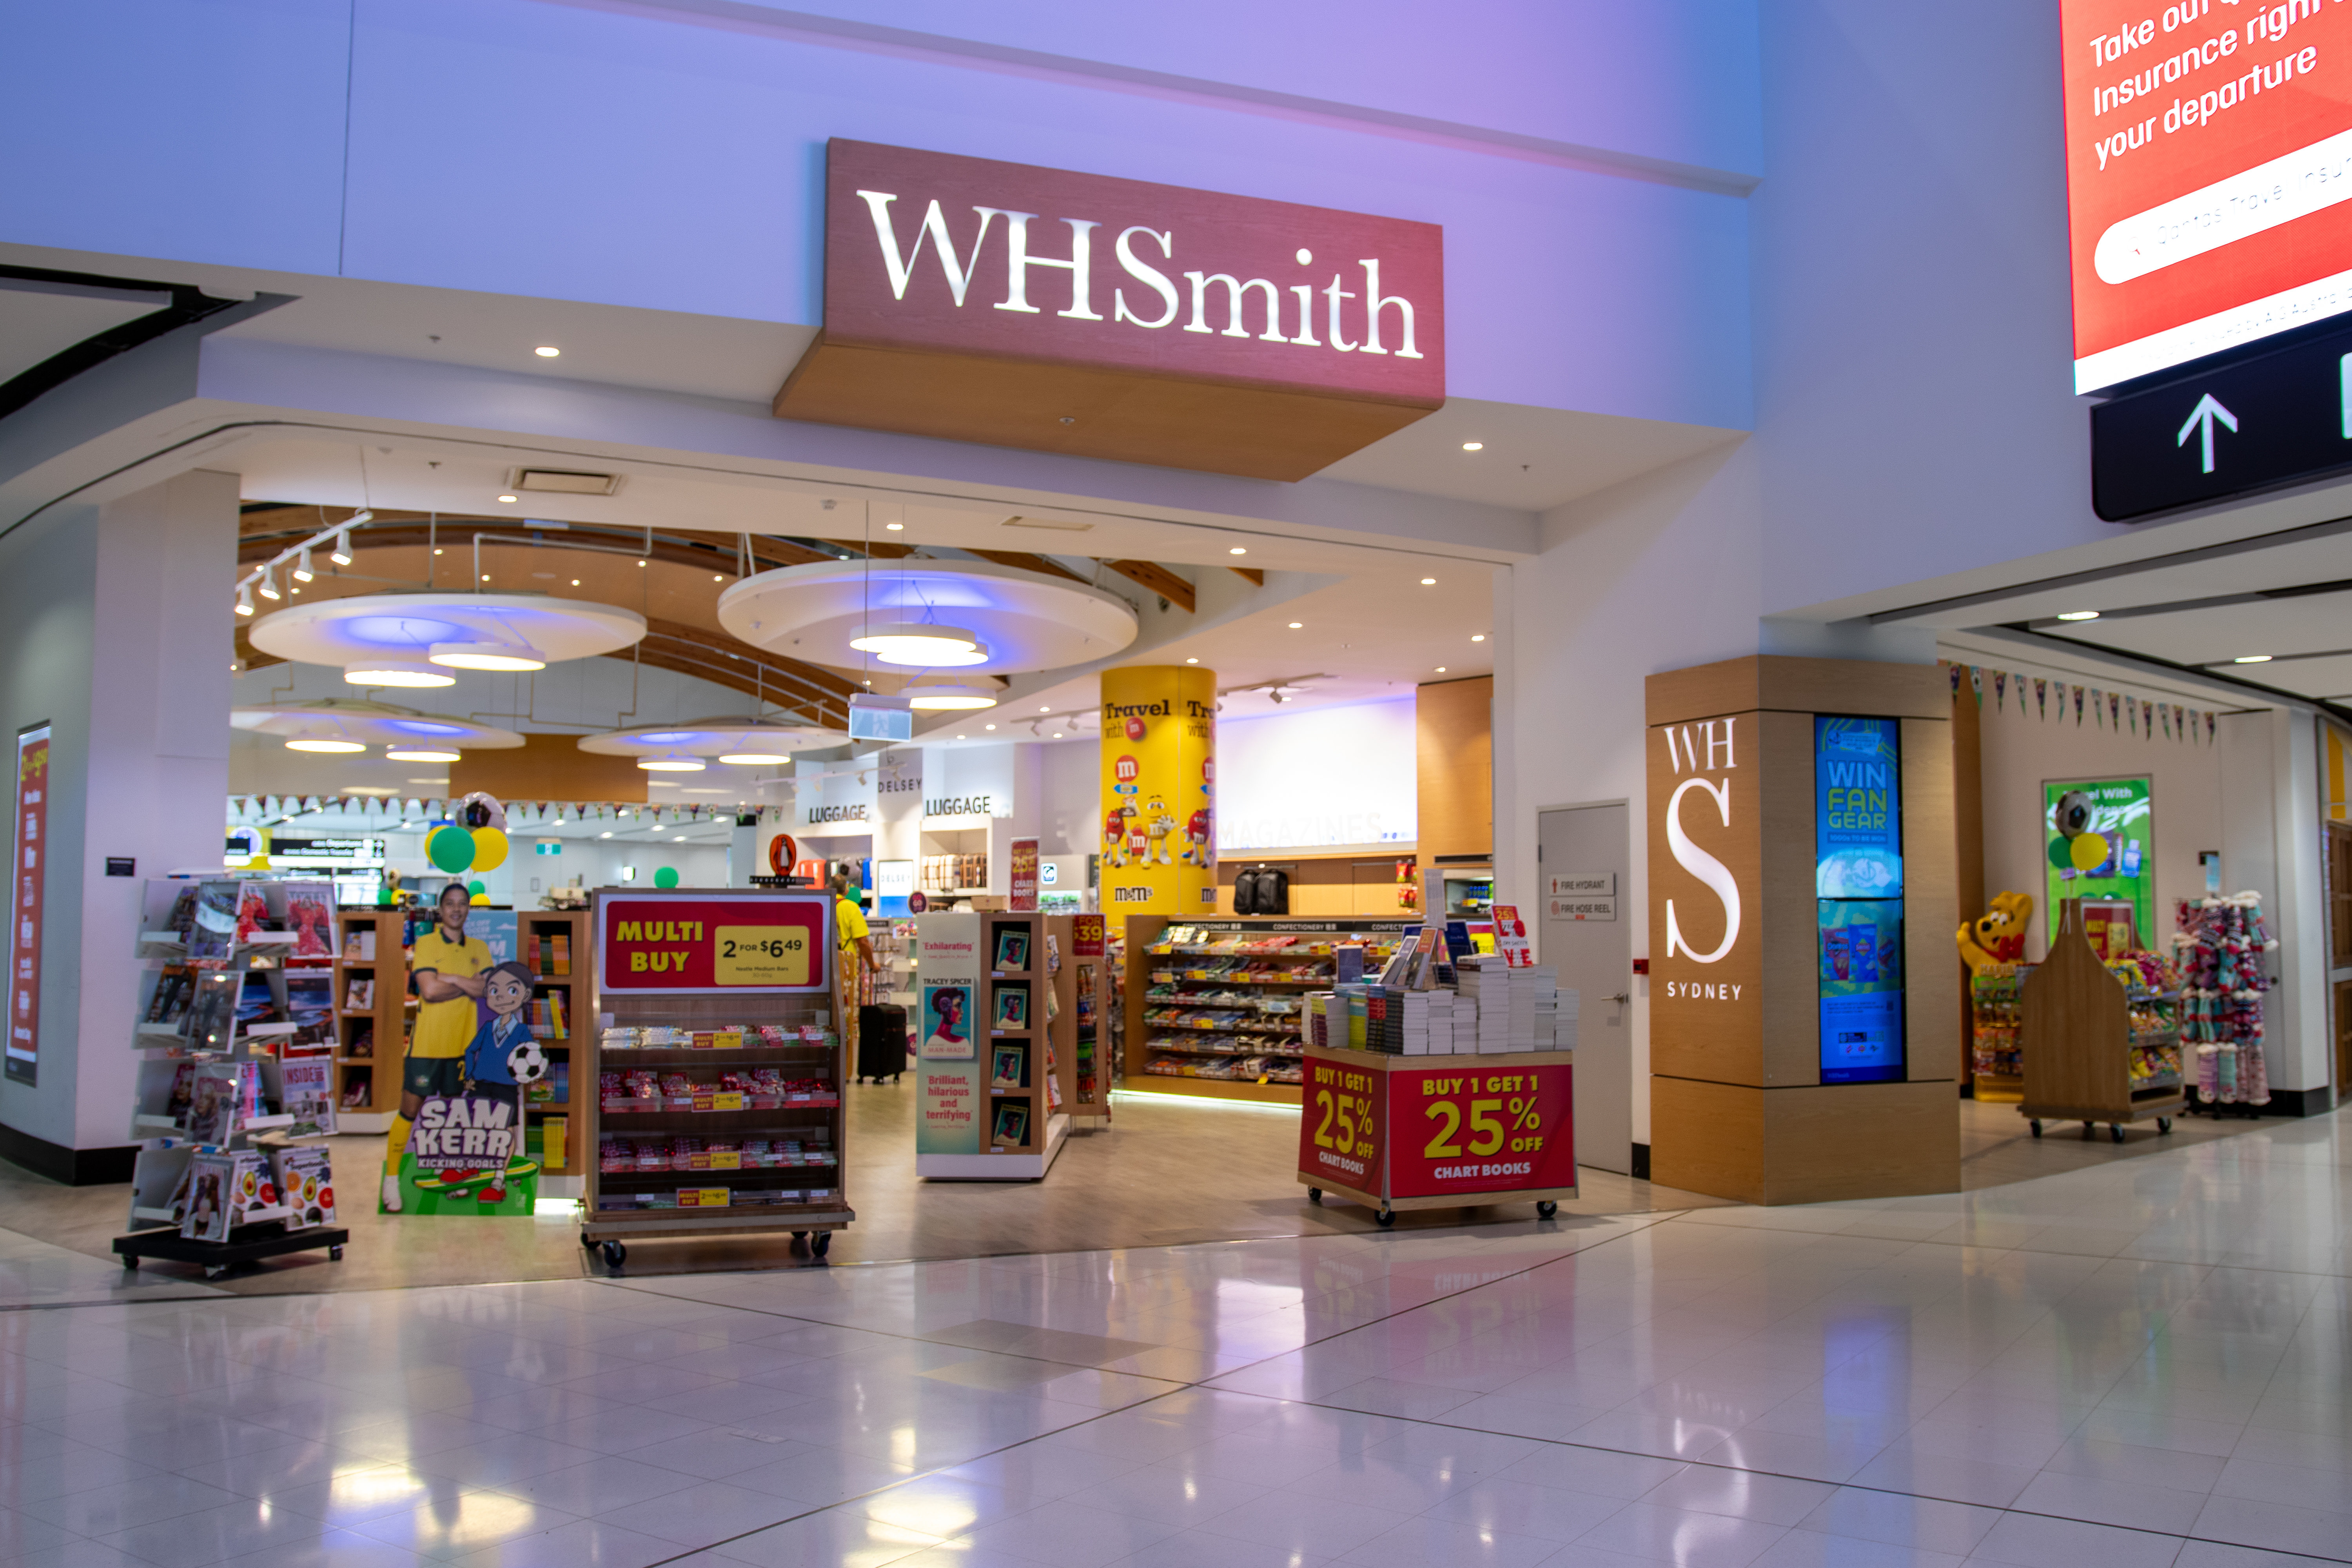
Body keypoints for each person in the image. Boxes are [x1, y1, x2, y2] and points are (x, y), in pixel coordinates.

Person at [383, 880, 492, 1212]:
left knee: (452, 1116)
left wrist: (452, 979)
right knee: (410, 1111)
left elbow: (486, 990)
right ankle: (391, 1182)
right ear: (441, 910)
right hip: (427, 1046)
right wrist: (467, 985)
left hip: (463, 1047)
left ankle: (453, 1177)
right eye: (450, 904)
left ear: (468, 909)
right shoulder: (427, 943)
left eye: (462, 904)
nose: (456, 909)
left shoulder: (479, 948)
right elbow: (429, 991)